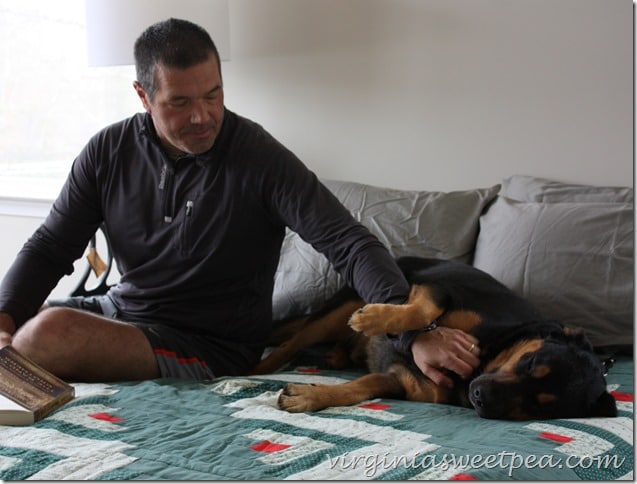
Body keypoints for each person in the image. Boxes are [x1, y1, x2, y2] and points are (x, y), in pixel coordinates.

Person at [0, 18, 479, 386]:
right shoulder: (108, 150)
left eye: (214, 95)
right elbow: (49, 247)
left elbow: (348, 242)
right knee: (24, 325)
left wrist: (411, 331)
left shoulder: (259, 158)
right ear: (143, 96)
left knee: (48, 334)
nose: (203, 116)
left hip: (209, 346)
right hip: (122, 314)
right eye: (180, 103)